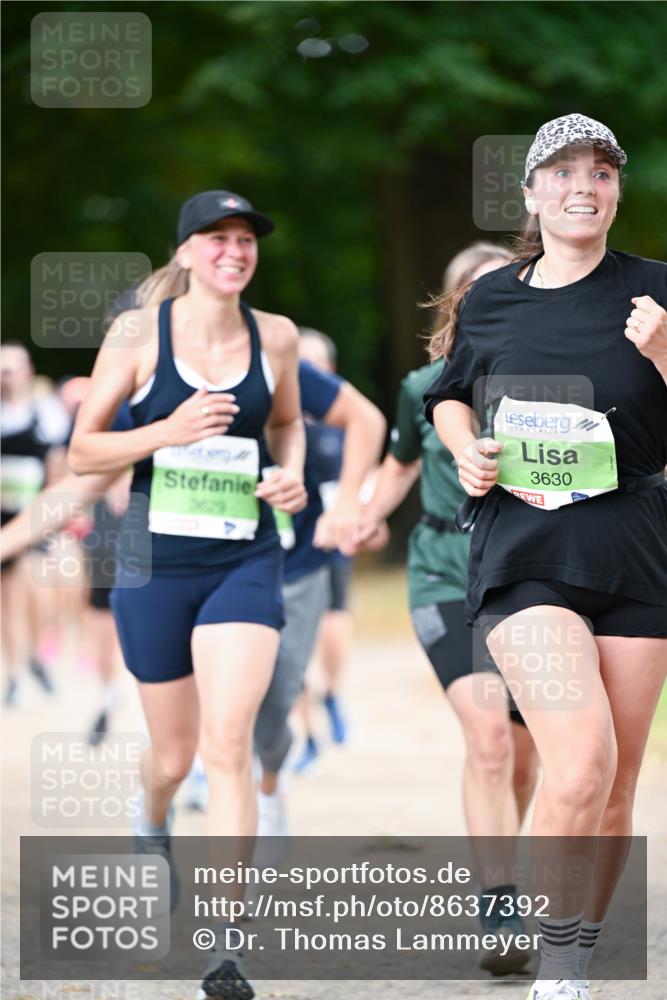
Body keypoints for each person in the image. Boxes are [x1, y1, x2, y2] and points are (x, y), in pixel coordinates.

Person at [424, 115, 667, 1000]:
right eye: (561, 171)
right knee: (579, 761)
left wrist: (665, 353)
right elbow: (447, 397)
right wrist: (463, 448)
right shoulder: (492, 296)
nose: (582, 186)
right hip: (525, 552)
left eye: (600, 172)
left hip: (636, 550)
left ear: (615, 192)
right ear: (529, 192)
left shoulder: (657, 292)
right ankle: (550, 973)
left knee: (616, 784)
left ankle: (568, 960)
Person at [68, 189, 308, 1000]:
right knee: (172, 757)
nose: (234, 252)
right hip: (152, 564)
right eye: (217, 239)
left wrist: (292, 475)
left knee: (227, 744)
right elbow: (82, 450)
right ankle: (151, 820)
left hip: (243, 559)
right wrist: (164, 431)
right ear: (185, 254)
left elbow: (285, 423)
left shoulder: (272, 336)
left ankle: (225, 944)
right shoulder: (139, 334)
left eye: (245, 240)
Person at [354, 243, 539, 975]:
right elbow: (398, 465)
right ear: (457, 305)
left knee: (523, 760)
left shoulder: (547, 387)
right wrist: (360, 516)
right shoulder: (423, 385)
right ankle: (499, 901)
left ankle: (502, 872)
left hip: (529, 585)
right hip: (441, 575)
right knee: (489, 737)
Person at [254, 351, 386, 832]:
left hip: (306, 555)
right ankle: (214, 775)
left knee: (281, 688)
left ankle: (276, 767)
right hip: (219, 565)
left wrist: (354, 508)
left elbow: (367, 426)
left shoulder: (317, 417)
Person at [292, 328, 357, 770]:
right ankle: (307, 734)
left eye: (314, 365)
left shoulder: (345, 426)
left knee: (333, 624)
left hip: (331, 540)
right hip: (287, 544)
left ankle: (331, 692)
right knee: (288, 641)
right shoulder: (273, 420)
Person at [1, 342, 70, 703]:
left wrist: (56, 513)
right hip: (3, 515)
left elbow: (57, 466)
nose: (6, 375)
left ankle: (36, 657)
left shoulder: (47, 413)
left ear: (28, 371)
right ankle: (13, 672)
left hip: (36, 513)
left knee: (39, 593)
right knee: (7, 598)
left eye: (12, 368)